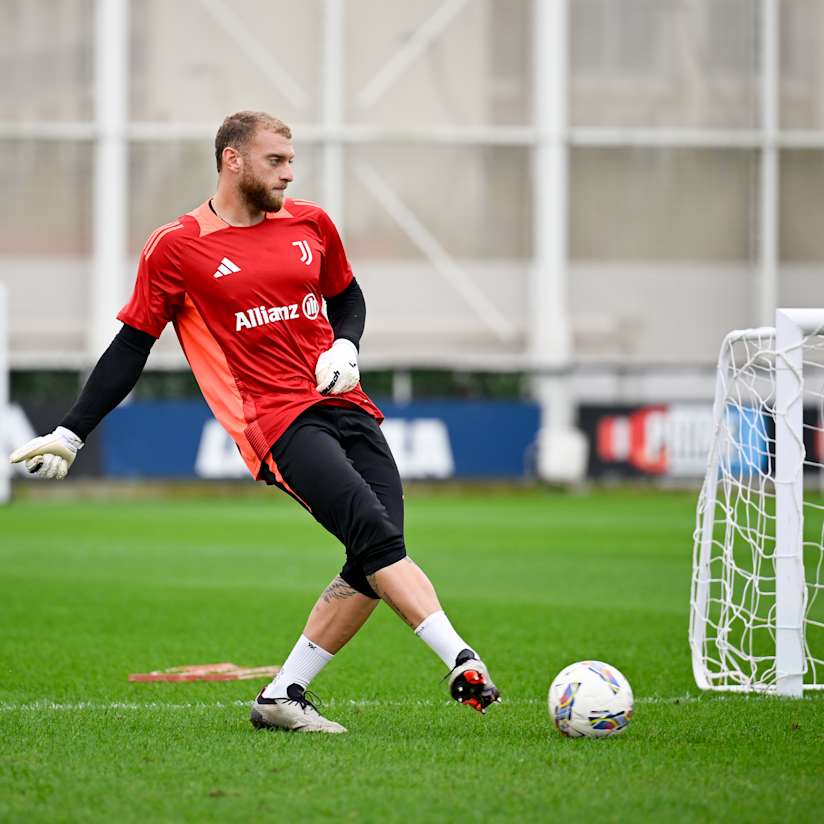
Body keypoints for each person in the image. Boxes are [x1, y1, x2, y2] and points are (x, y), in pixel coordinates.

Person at [9, 111, 500, 734]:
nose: (288, 174)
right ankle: (461, 659)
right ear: (232, 160)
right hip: (276, 422)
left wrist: (345, 347)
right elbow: (132, 346)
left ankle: (282, 695)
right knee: (375, 536)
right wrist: (73, 431)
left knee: (375, 554)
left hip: (349, 405)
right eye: (276, 161)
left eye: (292, 162)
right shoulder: (178, 245)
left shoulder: (311, 223)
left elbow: (347, 296)